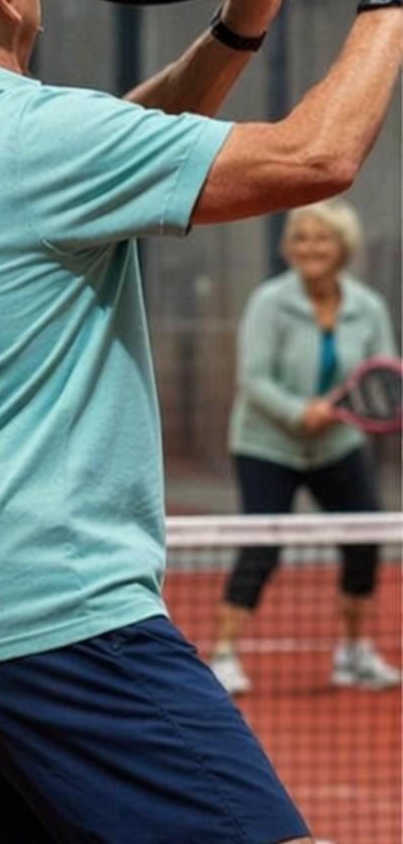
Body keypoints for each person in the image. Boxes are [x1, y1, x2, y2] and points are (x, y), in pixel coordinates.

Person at [0, 0, 403, 843]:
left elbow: (120, 143)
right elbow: (318, 158)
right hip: (61, 630)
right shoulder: (33, 144)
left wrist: (239, 26)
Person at [208, 199, 400, 696]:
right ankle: (223, 658)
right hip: (266, 443)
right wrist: (300, 411)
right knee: (261, 549)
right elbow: (253, 379)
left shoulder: (367, 307)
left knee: (364, 540)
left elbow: (383, 373)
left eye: (322, 239)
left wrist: (331, 415)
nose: (310, 248)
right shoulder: (270, 302)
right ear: (289, 247)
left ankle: (354, 655)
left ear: (342, 248)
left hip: (338, 442)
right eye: (302, 238)